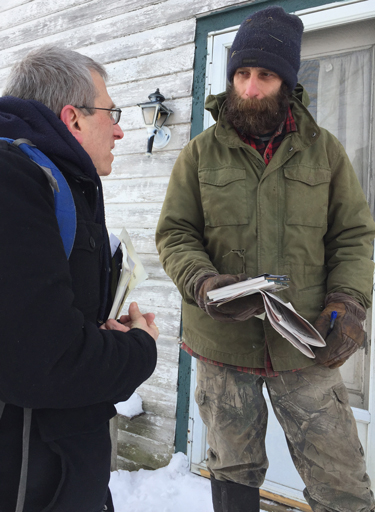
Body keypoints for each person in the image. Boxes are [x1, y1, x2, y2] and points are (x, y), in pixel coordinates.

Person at [156, 6, 375, 512]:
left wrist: (350, 302)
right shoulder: (200, 154)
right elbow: (175, 233)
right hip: (222, 344)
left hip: (307, 340)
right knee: (233, 468)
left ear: (288, 81)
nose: (250, 88)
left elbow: (353, 235)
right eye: (241, 73)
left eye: (265, 74)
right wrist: (204, 283)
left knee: (340, 478)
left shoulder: (326, 153)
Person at [0, 45, 158, 512]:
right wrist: (138, 349)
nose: (121, 129)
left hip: (62, 472)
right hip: (29, 482)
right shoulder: (17, 183)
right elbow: (43, 363)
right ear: (73, 119)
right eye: (112, 113)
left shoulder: (59, 181)